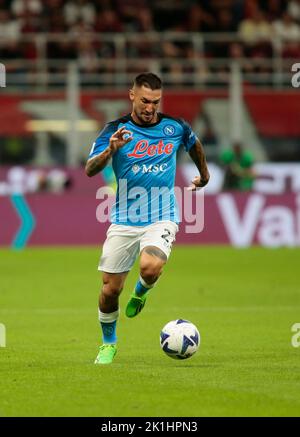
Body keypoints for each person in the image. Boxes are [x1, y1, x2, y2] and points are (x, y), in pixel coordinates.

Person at [85, 72, 210, 364]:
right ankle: (109, 343)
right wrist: (110, 150)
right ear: (132, 96)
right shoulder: (114, 130)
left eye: (155, 101)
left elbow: (194, 144)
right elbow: (90, 169)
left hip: (162, 216)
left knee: (151, 266)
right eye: (144, 100)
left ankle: (142, 291)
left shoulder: (175, 127)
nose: (150, 107)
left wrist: (204, 175)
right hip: (124, 219)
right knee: (109, 290)